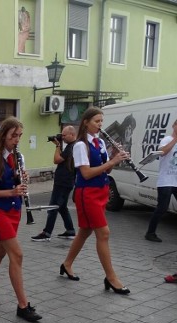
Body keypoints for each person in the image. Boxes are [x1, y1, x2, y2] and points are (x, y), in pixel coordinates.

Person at [0, 117, 42, 322]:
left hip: (14, 210)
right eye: (14, 136)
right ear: (4, 134)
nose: (17, 140)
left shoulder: (18, 156)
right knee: (17, 255)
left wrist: (23, 180)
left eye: (20, 136)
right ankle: (23, 306)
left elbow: (16, 182)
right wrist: (11, 191)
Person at [60, 107, 130, 294]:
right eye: (96, 121)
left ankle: (66, 264)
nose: (100, 125)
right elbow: (86, 172)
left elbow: (106, 170)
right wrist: (111, 162)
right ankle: (111, 277)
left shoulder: (99, 142)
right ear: (86, 122)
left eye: (101, 121)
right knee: (103, 233)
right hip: (88, 193)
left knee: (85, 231)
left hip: (101, 191)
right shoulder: (80, 145)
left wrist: (115, 157)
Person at [145, 118, 177, 244]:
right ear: (174, 126)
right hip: (166, 181)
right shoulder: (166, 140)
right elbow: (163, 152)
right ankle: (150, 232)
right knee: (162, 208)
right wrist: (176, 138)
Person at [31, 126, 77, 241]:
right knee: (62, 207)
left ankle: (46, 233)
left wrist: (57, 146)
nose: (62, 137)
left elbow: (56, 159)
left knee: (53, 206)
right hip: (67, 181)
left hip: (63, 182)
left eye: (64, 135)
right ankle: (70, 230)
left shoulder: (71, 147)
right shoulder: (73, 146)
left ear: (72, 135)